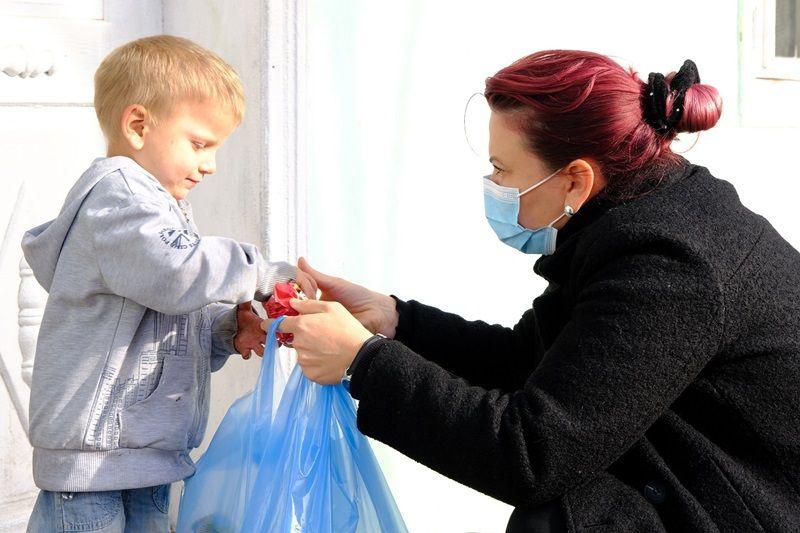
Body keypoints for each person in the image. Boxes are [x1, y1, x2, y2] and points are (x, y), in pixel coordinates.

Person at [269, 51, 800, 531]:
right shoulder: (637, 215)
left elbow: (533, 455)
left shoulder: (670, 268)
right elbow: (532, 361)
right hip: (701, 478)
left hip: (752, 509)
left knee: (563, 520)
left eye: (502, 169)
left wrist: (364, 361)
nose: (493, 185)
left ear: (575, 180)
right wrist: (394, 321)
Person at [22, 35, 315, 532]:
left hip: (144, 454)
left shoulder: (159, 207)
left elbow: (166, 316)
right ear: (138, 126)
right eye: (199, 144)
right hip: (94, 464)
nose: (210, 164)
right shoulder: (118, 198)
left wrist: (225, 330)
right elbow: (178, 274)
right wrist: (261, 274)